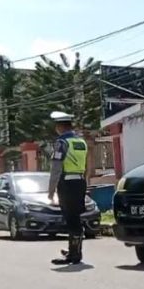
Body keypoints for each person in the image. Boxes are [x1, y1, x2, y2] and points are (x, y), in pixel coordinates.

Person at [47, 111, 88, 265]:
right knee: (75, 217)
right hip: (80, 182)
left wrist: (51, 192)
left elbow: (56, 168)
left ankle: (75, 255)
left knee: (71, 219)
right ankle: (74, 250)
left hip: (67, 184)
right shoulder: (80, 142)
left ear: (60, 127)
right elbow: (86, 165)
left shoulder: (62, 143)